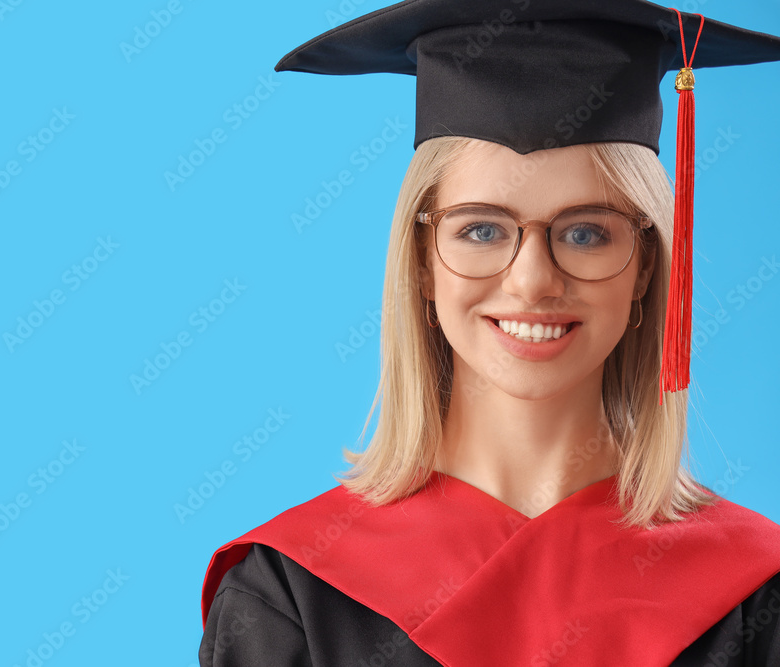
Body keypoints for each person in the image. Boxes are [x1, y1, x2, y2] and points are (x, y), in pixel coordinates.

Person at [198, 1, 780, 664]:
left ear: (645, 268)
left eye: (586, 232)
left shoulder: (755, 597)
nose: (533, 281)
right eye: (481, 229)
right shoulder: (290, 592)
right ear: (421, 263)